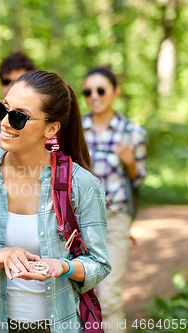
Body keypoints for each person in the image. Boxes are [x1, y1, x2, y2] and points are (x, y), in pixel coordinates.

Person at [0, 71, 111, 333]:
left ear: (52, 128)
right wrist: (1, 256)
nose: (5, 122)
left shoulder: (82, 185)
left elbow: (99, 264)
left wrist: (64, 266)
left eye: (19, 117)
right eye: (2, 109)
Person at [82, 66, 147, 333]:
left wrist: (130, 163)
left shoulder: (133, 133)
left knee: (108, 298)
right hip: (82, 223)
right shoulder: (75, 129)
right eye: (87, 91)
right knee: (84, 295)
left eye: (100, 90)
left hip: (116, 220)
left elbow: (138, 179)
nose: (94, 96)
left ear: (115, 92)